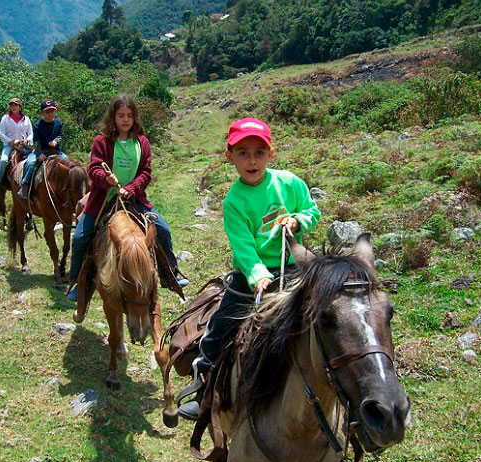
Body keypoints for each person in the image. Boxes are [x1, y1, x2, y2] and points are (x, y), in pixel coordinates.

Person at [177, 117, 321, 420]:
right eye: (243, 153)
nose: (252, 160)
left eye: (259, 152)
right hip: (253, 275)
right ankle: (203, 389)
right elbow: (243, 247)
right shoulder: (234, 201)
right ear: (230, 157)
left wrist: (298, 220)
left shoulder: (289, 182)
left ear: (270, 154)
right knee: (221, 326)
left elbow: (312, 210)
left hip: (295, 266)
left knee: (332, 316)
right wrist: (259, 276)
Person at [66, 93, 188, 303]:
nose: (125, 119)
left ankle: (171, 274)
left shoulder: (142, 142)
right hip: (102, 200)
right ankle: (79, 282)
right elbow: (94, 167)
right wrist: (106, 178)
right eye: (121, 115)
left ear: (135, 117)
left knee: (164, 230)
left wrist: (130, 189)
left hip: (134, 199)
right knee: (79, 238)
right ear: (113, 117)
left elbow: (146, 173)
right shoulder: (101, 141)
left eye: (129, 115)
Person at [18, 99, 66, 199]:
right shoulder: (37, 125)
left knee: (67, 162)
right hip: (41, 150)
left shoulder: (58, 123)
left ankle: (68, 185)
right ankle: (25, 184)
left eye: (52, 111)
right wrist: (39, 153)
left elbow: (61, 135)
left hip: (56, 150)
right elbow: (36, 141)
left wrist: (56, 141)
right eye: (47, 112)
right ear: (42, 113)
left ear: (55, 111)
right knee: (30, 163)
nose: (50, 114)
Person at [0, 98, 33, 196]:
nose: (13, 107)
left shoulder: (26, 119)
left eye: (15, 105)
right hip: (9, 145)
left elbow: (31, 134)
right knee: (3, 161)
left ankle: (30, 184)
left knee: (34, 160)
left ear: (20, 107)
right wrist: (11, 141)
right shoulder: (5, 118)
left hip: (24, 145)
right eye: (12, 105)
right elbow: (2, 134)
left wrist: (27, 140)